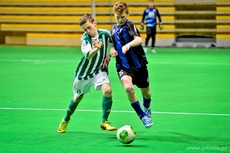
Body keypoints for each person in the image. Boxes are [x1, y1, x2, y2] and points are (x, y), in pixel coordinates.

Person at [57, 14, 116, 133]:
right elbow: (88, 55)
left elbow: (114, 44)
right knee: (78, 97)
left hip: (100, 70)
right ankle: (66, 119)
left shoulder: (105, 34)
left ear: (94, 23)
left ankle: (104, 122)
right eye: (85, 29)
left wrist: (111, 51)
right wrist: (97, 48)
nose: (88, 31)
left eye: (89, 27)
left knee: (108, 90)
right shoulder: (84, 39)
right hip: (84, 73)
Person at [109, 1, 153, 128]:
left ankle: (147, 107)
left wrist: (128, 44)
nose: (120, 20)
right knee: (128, 88)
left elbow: (139, 39)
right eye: (118, 17)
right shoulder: (112, 30)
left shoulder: (130, 25)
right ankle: (143, 116)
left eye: (123, 17)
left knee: (147, 93)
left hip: (139, 65)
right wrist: (112, 51)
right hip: (123, 66)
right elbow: (112, 46)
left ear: (127, 14)